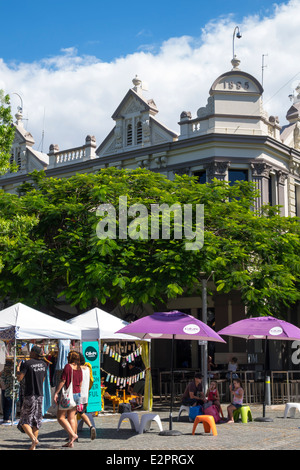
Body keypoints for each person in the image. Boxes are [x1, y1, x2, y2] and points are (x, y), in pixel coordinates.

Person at [16, 345, 47, 450]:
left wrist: (18, 368)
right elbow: (42, 380)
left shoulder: (27, 364)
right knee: (36, 421)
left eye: (31, 351)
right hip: (40, 395)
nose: (29, 353)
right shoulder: (44, 364)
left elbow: (19, 378)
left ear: (34, 353)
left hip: (30, 394)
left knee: (24, 420)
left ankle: (34, 439)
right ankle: (33, 446)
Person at [54, 350, 82, 448]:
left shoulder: (68, 367)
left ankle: (73, 435)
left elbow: (63, 380)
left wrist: (56, 392)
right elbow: (81, 382)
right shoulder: (79, 368)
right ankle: (71, 442)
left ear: (69, 358)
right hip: (77, 394)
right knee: (71, 417)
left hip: (68, 395)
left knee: (60, 417)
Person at [76, 353, 96, 440]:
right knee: (80, 413)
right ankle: (90, 427)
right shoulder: (88, 368)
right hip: (85, 395)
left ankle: (73, 434)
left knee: (75, 414)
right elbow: (91, 381)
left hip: (77, 395)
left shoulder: (77, 370)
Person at [0, 359, 14, 423]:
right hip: (8, 389)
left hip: (4, 388)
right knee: (8, 403)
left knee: (5, 403)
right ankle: (7, 417)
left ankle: (6, 417)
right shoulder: (10, 371)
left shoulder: (3, 371)